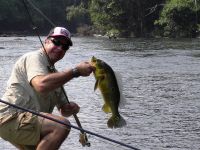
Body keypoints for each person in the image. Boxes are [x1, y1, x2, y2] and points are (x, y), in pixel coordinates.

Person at [0, 27, 95, 150]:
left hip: (28, 123)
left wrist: (70, 108)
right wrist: (75, 71)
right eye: (57, 42)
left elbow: (63, 111)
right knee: (61, 126)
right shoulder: (34, 57)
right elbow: (41, 85)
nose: (60, 48)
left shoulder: (55, 75)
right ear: (46, 41)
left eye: (65, 47)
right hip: (10, 117)